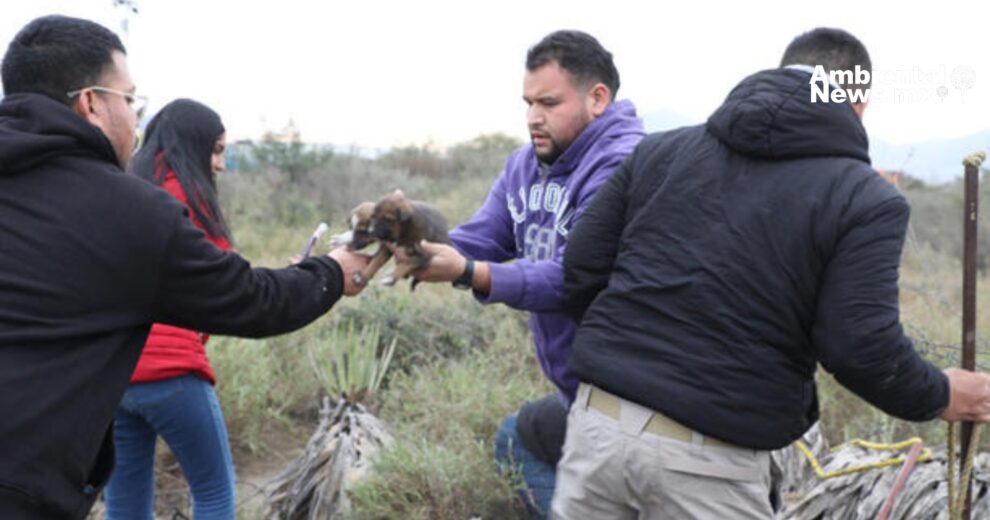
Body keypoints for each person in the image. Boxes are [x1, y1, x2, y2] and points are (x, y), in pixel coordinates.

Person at [557, 27, 990, 519]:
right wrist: (942, 394)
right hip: (710, 462)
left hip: (596, 429)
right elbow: (859, 346)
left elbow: (581, 266)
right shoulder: (864, 198)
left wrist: (627, 352)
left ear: (782, 73)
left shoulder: (660, 152)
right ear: (859, 103)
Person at [0, 15, 368, 519]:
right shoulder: (132, 211)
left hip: (116, 396)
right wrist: (333, 272)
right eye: (130, 100)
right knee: (214, 492)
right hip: (26, 487)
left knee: (127, 500)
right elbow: (250, 299)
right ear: (91, 103)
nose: (135, 117)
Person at [396, 30, 644, 518]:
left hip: (634, 400)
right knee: (516, 441)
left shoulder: (626, 166)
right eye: (528, 103)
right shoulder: (525, 166)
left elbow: (574, 277)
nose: (533, 117)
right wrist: (408, 240)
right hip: (580, 393)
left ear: (597, 99)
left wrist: (471, 273)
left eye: (549, 103)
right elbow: (480, 237)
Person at [101, 99, 240, 519]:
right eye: (216, 150)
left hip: (115, 375)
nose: (221, 164)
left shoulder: (122, 188)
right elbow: (222, 287)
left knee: (124, 502)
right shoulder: (189, 198)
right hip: (173, 371)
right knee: (214, 494)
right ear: (195, 144)